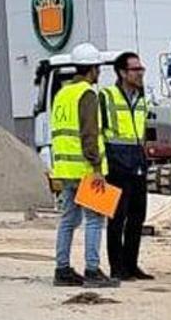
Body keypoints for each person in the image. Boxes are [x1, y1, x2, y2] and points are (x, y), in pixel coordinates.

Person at [50, 44, 119, 289]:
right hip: (85, 169)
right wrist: (97, 167)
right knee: (94, 219)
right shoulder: (87, 94)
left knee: (68, 219)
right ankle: (92, 270)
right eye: (98, 68)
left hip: (65, 169)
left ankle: (62, 269)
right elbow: (89, 133)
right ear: (93, 69)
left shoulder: (63, 94)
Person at [101, 51, 152, 280]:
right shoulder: (107, 96)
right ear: (122, 72)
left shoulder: (141, 98)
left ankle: (131, 265)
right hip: (116, 165)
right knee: (116, 218)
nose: (140, 73)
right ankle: (117, 267)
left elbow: (140, 133)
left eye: (141, 69)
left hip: (136, 163)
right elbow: (100, 132)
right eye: (136, 69)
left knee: (137, 216)